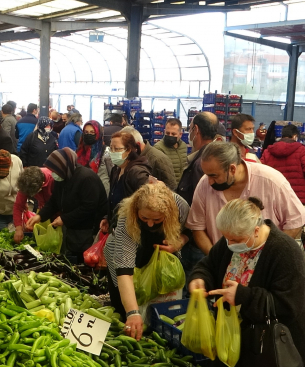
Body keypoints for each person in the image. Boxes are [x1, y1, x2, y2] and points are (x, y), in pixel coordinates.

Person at [188, 197, 305, 367]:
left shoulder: (285, 252)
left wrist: (243, 296)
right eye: (226, 238)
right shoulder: (231, 242)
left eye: (236, 239)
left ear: (256, 231)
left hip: (274, 348)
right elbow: (208, 265)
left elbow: (289, 305)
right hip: (240, 342)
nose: (230, 243)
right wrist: (200, 279)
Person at [186, 141, 305, 256]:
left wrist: (268, 256)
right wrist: (216, 259)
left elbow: (295, 222)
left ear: (232, 169)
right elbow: (197, 228)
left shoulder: (272, 181)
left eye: (214, 176)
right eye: (206, 175)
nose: (209, 181)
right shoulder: (204, 185)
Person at [104, 182, 190, 339]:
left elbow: (190, 230)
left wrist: (179, 241)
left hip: (160, 257)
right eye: (144, 218)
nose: (150, 224)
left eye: (157, 219)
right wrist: (132, 313)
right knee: (124, 307)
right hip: (124, 253)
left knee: (157, 298)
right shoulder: (126, 218)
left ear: (168, 213)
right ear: (136, 210)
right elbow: (124, 271)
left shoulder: (180, 207)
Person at [25, 148, 109, 263]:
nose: (53, 174)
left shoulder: (86, 178)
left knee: (83, 260)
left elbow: (89, 207)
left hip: (86, 229)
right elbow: (54, 201)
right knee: (70, 256)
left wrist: (64, 219)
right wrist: (40, 216)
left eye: (54, 170)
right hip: (71, 228)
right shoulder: (63, 177)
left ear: (63, 166)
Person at [259, 123, 305, 208]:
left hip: (274, 198)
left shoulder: (268, 151)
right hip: (297, 197)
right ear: (295, 136)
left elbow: (260, 171)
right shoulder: (301, 150)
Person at [106, 131, 153, 225]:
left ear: (128, 150)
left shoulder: (137, 172)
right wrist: (108, 218)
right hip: (117, 224)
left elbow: (149, 199)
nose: (113, 152)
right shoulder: (116, 169)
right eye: (111, 149)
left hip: (132, 227)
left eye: (117, 149)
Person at [176, 112, 220, 207]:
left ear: (195, 129)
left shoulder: (201, 163)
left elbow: (200, 203)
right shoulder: (215, 155)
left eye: (190, 128)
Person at [13, 166, 55, 244]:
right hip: (43, 210)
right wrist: (19, 228)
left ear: (41, 185)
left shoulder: (53, 179)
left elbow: (57, 203)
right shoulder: (26, 181)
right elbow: (18, 206)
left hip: (58, 213)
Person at [155, 118, 189, 183]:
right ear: (164, 131)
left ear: (180, 134)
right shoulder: (158, 148)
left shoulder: (183, 146)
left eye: (173, 134)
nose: (170, 136)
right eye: (167, 133)